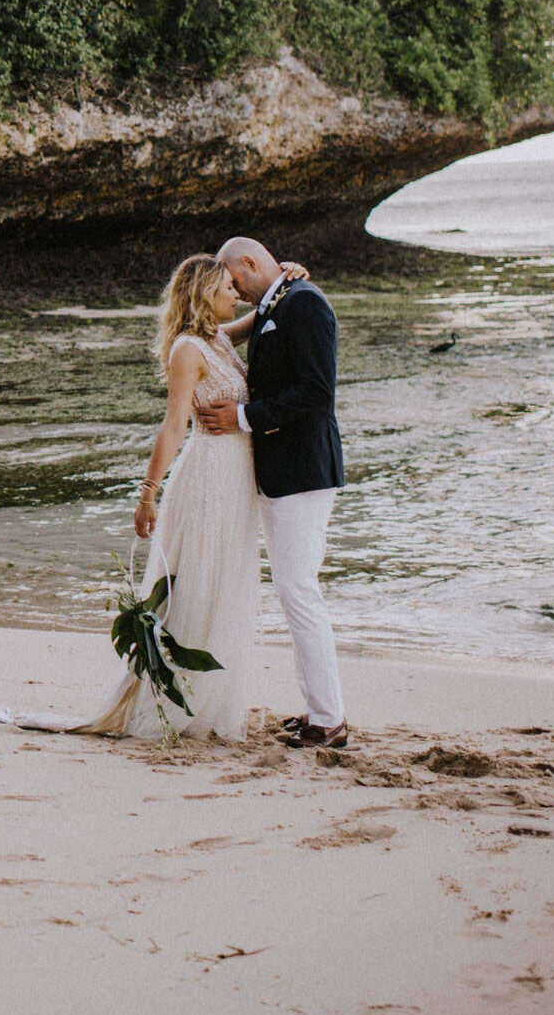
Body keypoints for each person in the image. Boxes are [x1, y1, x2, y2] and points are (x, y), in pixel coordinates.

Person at [64, 253, 275, 742]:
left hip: (235, 481)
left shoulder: (217, 338)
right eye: (227, 287)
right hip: (208, 480)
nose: (236, 294)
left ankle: (211, 701)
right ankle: (183, 701)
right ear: (204, 293)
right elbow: (174, 426)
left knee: (226, 586)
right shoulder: (187, 349)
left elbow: (263, 312)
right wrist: (147, 494)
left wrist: (286, 278)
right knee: (201, 585)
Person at [196, 235, 349, 750]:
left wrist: (242, 417)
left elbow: (316, 393)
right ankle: (318, 710)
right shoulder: (274, 301)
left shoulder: (303, 303)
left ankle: (328, 720)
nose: (233, 290)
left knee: (299, 591)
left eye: (234, 279)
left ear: (249, 262)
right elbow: (221, 333)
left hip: (304, 472)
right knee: (293, 591)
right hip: (280, 473)